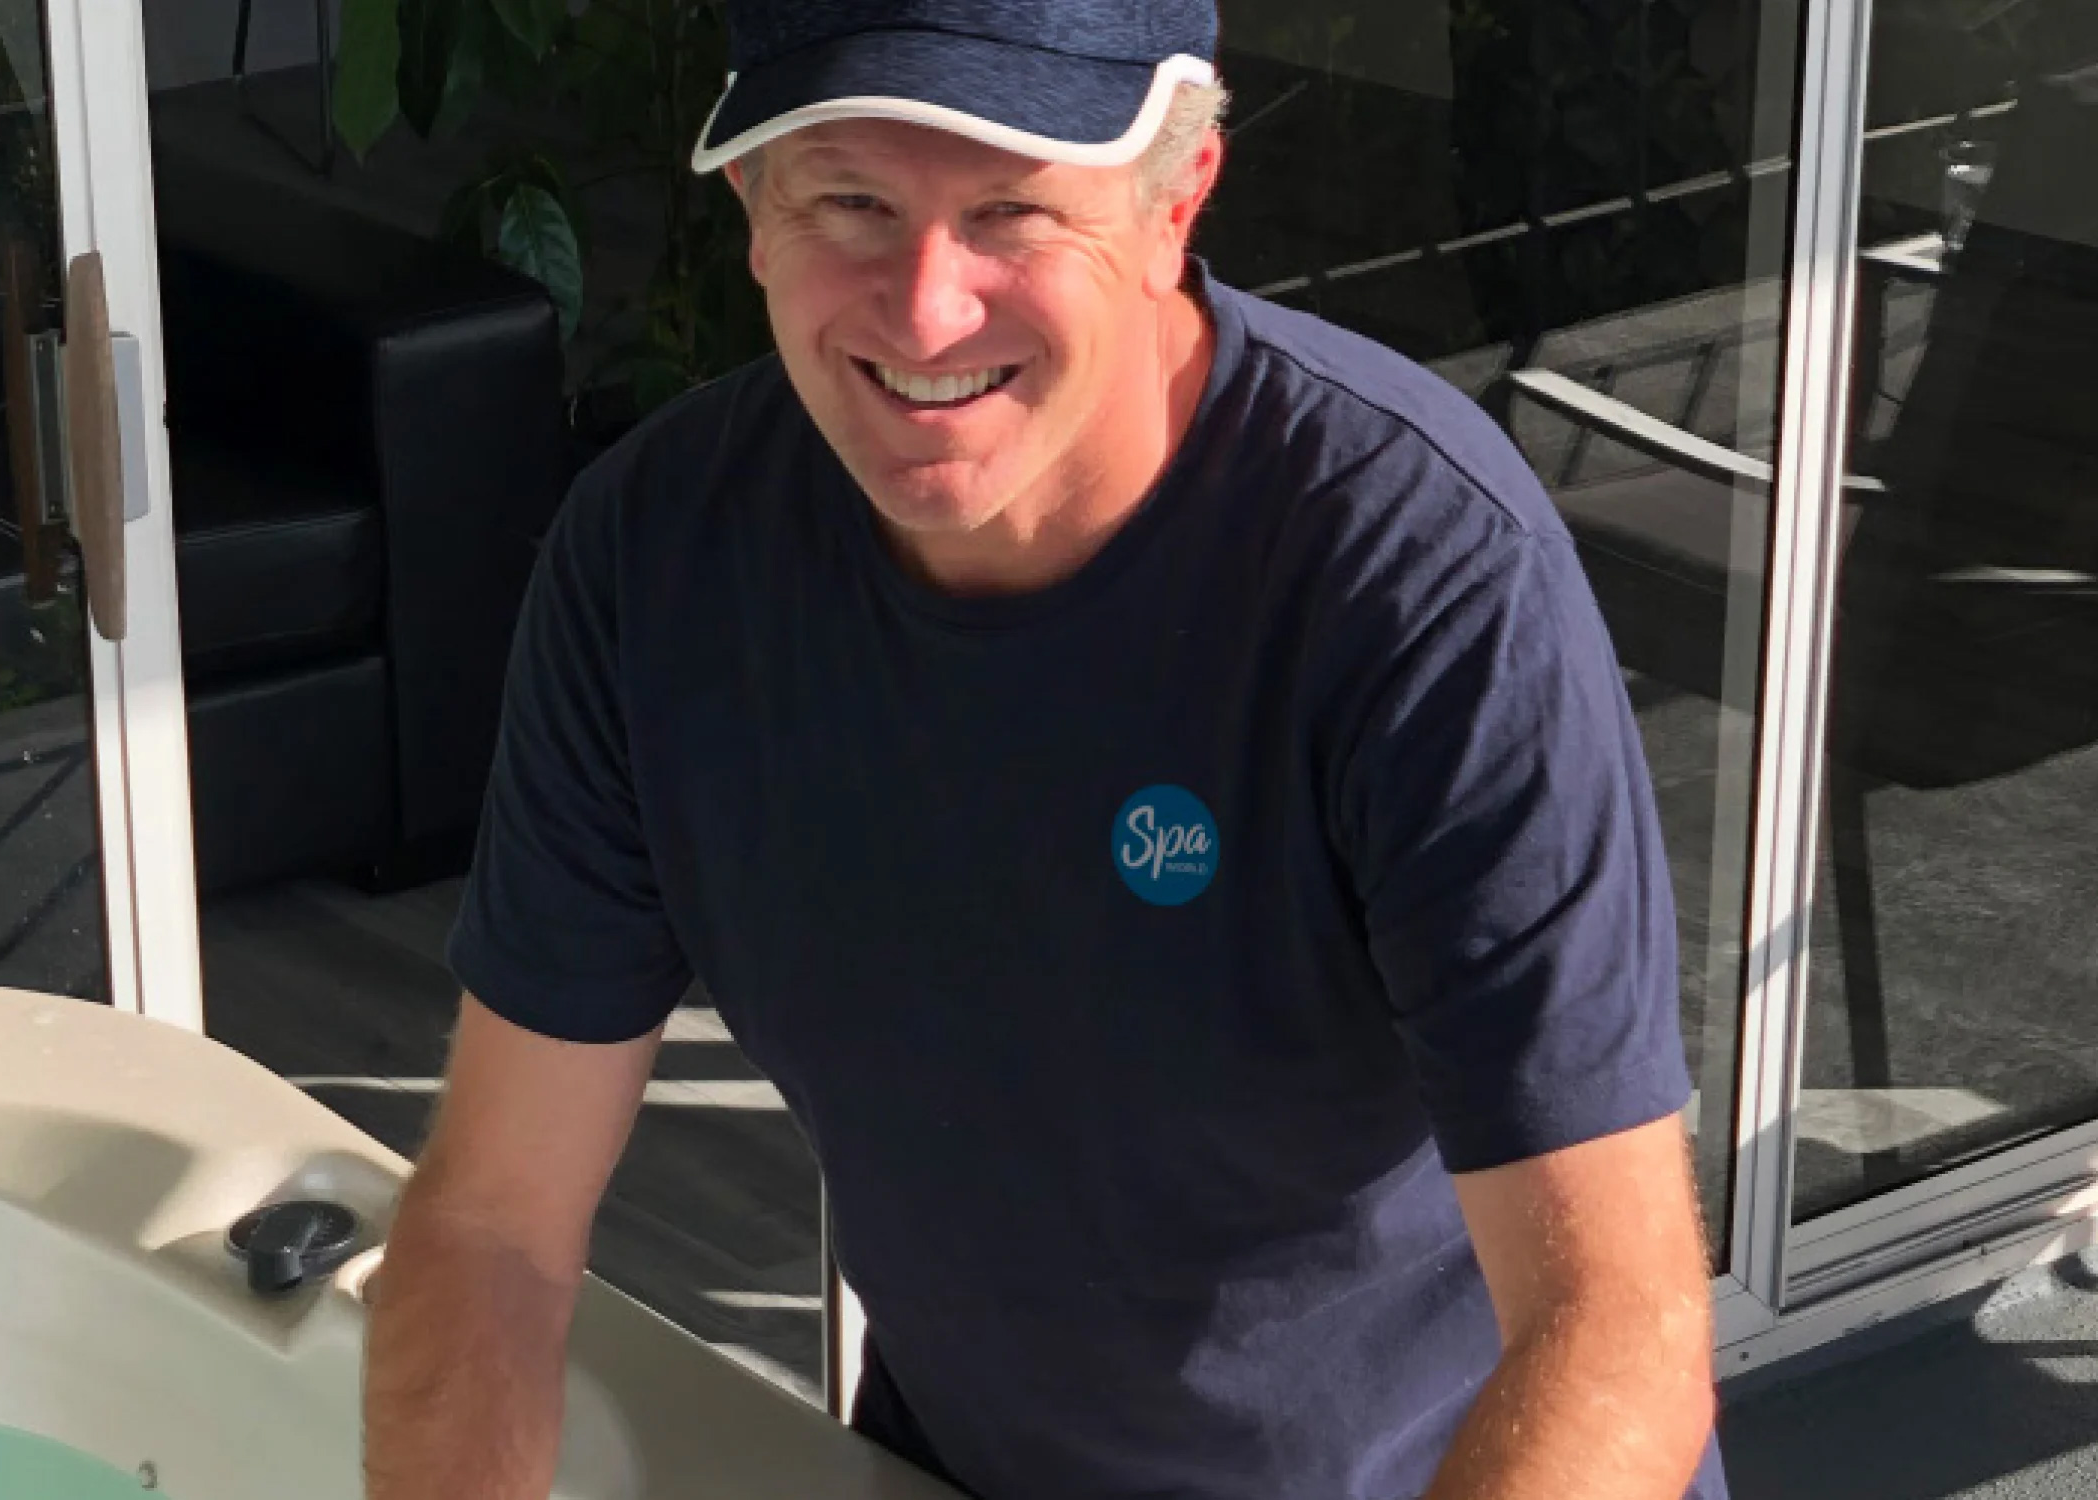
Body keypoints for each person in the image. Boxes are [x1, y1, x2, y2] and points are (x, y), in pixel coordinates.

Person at [361, 0, 1727, 1496]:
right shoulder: (655, 565)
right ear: (751, 203)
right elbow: (493, 1226)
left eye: (1012, 211)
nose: (924, 311)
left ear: (1176, 200)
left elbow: (1617, 1322)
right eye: (851, 203)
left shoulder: (1413, 576)